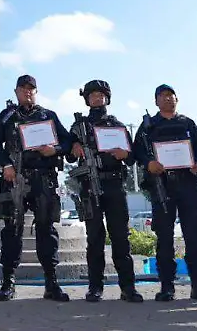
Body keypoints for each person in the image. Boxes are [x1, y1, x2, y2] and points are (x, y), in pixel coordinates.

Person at [133, 84, 197, 302]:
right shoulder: (147, 126)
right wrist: (148, 162)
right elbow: (137, 152)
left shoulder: (187, 123)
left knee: (194, 236)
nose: (167, 99)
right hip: (162, 186)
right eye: (162, 96)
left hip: (188, 185)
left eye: (171, 96)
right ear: (156, 101)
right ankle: (167, 286)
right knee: (164, 238)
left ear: (177, 99)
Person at [0, 74, 73, 302]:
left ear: (36, 92)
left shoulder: (48, 116)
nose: (28, 92)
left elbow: (67, 142)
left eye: (31, 89)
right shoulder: (7, 116)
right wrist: (6, 164)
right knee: (11, 231)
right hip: (14, 177)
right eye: (23, 88)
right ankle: (7, 283)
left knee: (46, 230)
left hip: (43, 179)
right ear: (16, 91)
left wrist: (54, 150)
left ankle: (51, 283)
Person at [67, 79, 142, 302]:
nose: (97, 98)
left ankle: (128, 287)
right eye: (92, 95)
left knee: (121, 238)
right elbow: (68, 154)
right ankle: (95, 287)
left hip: (115, 186)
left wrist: (125, 155)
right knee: (95, 239)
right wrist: (74, 147)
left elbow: (132, 158)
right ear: (87, 99)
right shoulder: (78, 127)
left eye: (101, 95)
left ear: (107, 98)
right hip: (90, 187)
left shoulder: (117, 125)